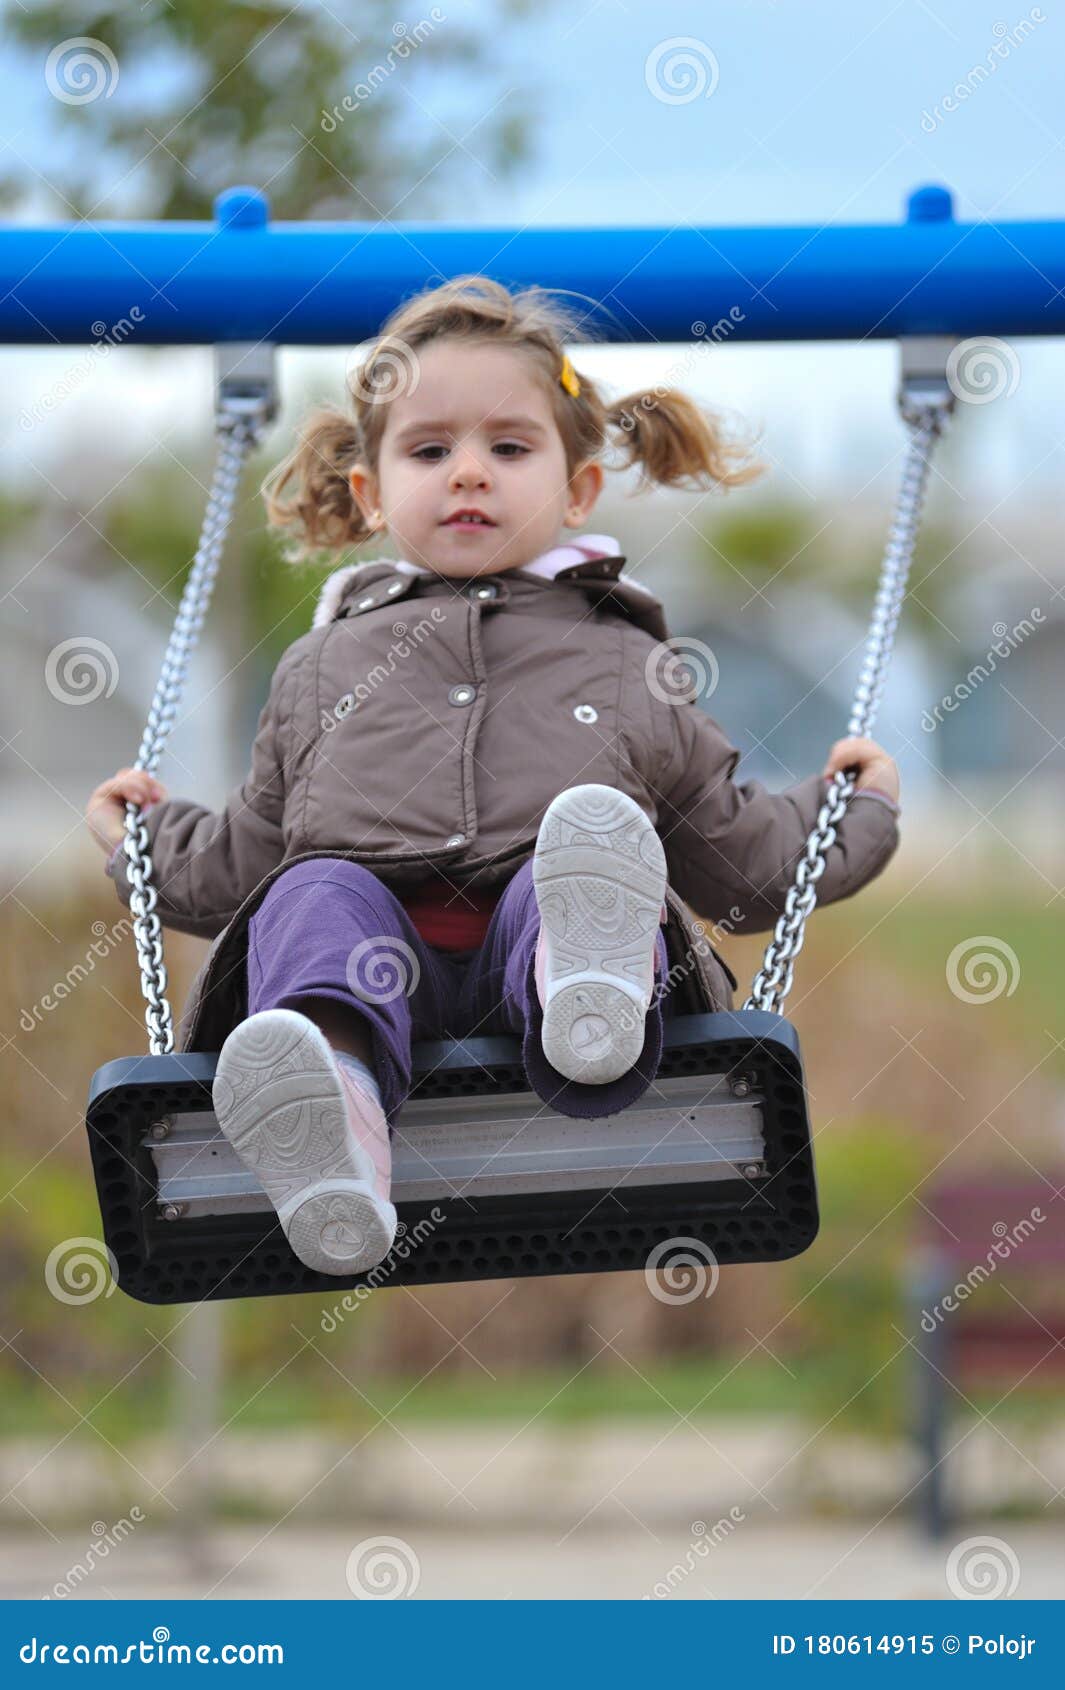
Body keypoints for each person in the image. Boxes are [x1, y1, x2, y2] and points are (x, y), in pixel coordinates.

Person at [85, 274, 901, 1280]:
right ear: (372, 492)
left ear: (576, 489)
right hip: (387, 984)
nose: (469, 472)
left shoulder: (627, 663)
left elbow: (742, 858)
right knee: (312, 891)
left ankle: (584, 980)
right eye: (431, 450)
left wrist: (851, 809)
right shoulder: (321, 669)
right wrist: (144, 843)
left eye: (509, 448)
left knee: (588, 856)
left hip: (547, 965)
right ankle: (329, 1107)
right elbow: (245, 860)